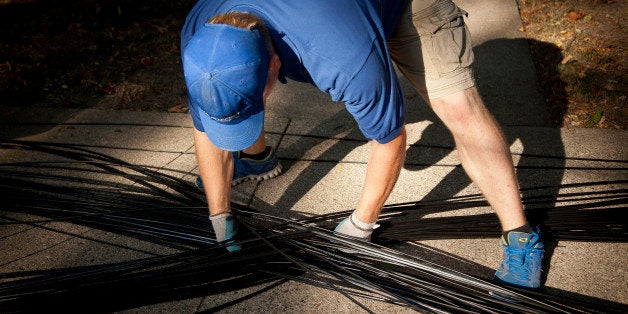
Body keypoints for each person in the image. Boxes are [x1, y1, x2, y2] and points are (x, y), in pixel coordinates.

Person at [180, 0, 545, 289]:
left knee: (460, 109)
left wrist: (360, 225)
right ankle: (257, 159)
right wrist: (219, 214)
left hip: (404, 7)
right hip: (335, 18)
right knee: (237, 101)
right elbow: (206, 121)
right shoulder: (201, 39)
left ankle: (520, 234)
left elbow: (390, 138)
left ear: (275, 63)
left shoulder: (344, 59)